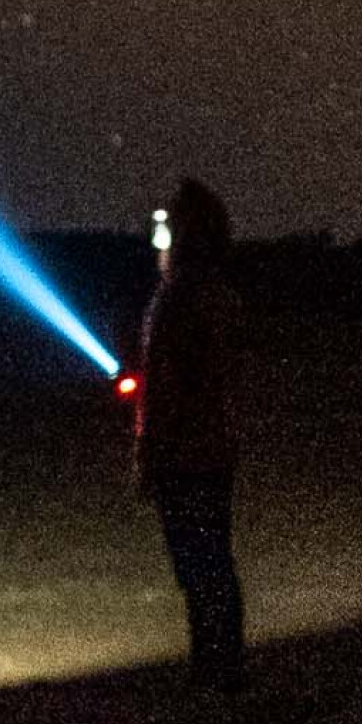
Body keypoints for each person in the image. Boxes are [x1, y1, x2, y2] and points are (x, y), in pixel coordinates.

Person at [126, 176, 247, 692]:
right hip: (215, 449)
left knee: (198, 566)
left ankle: (213, 671)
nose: (160, 239)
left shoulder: (178, 299)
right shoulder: (220, 296)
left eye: (167, 227)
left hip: (186, 453)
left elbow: (171, 387)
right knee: (212, 560)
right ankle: (222, 667)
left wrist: (148, 451)